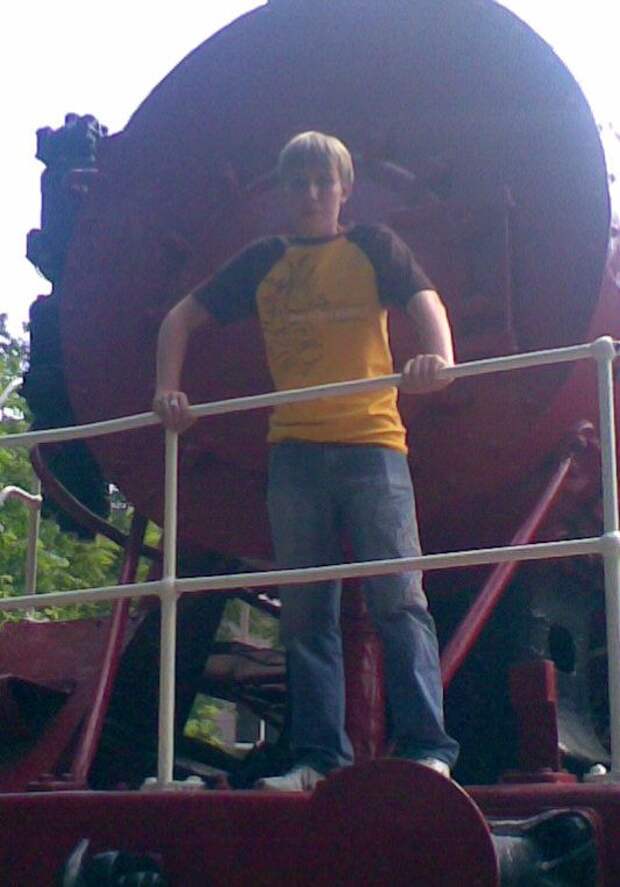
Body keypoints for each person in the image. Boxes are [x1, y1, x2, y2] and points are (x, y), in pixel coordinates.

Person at [153, 131, 459, 791]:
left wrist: (439, 357)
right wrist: (167, 391)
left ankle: (427, 750)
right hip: (294, 453)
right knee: (305, 613)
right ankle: (319, 759)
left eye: (324, 181)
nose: (313, 193)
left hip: (373, 444)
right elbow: (179, 318)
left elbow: (424, 299)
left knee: (399, 600)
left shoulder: (373, 245)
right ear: (284, 191)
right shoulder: (264, 260)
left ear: (345, 189)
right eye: (300, 182)